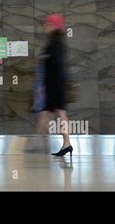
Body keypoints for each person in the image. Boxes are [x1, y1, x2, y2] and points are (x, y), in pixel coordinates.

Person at [37, 14, 72, 157]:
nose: (46, 27)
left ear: (54, 26)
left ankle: (43, 143)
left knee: (56, 113)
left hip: (55, 85)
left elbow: (56, 66)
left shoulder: (55, 45)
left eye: (48, 24)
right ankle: (62, 143)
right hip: (54, 85)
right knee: (52, 112)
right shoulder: (55, 43)